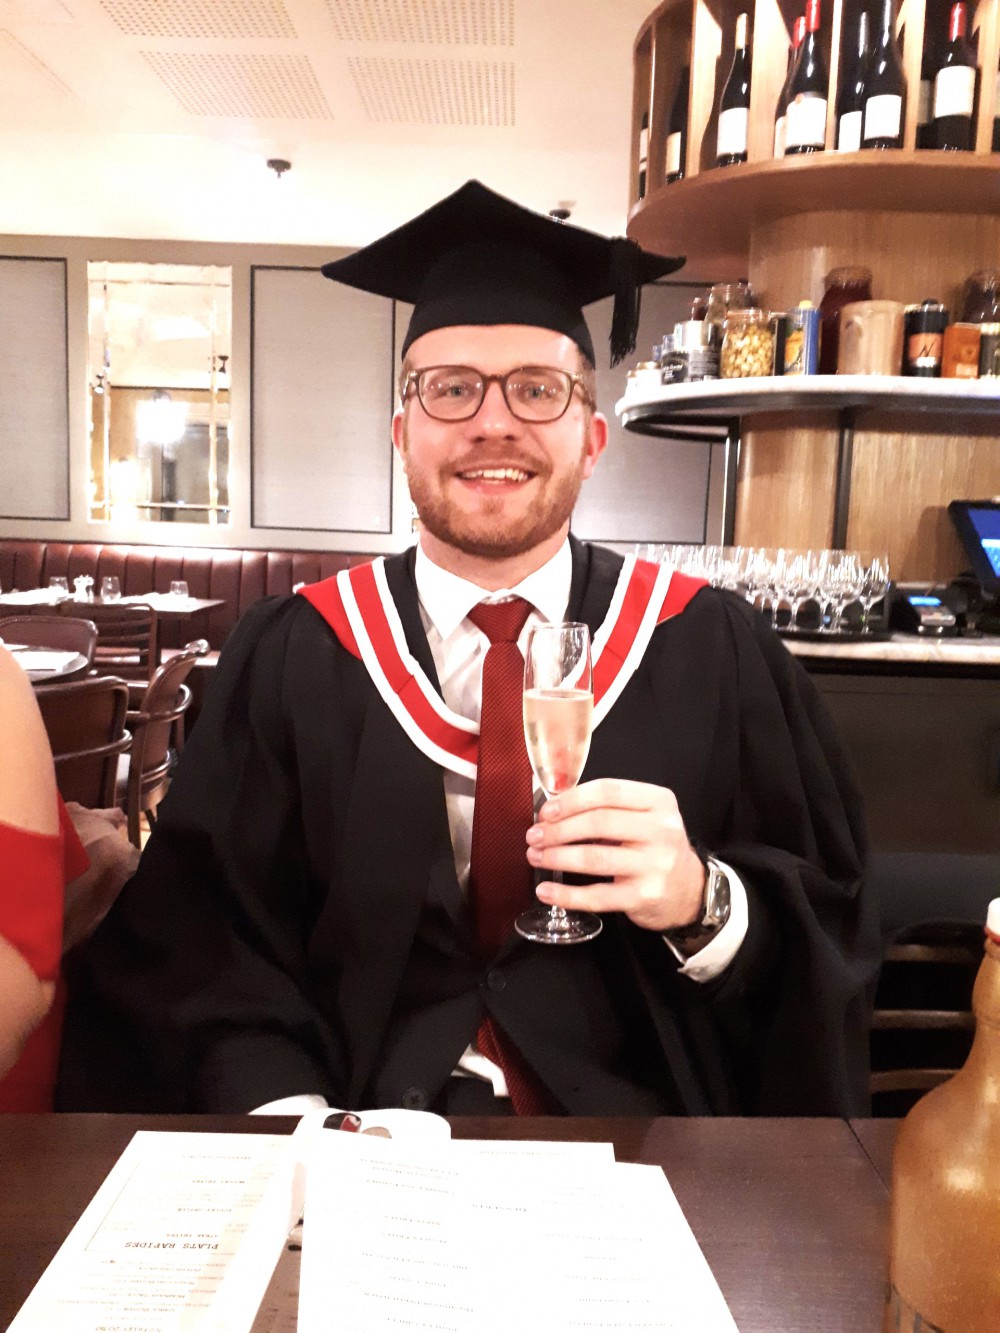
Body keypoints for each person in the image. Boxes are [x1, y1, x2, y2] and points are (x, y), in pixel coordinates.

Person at [59, 181, 880, 1118]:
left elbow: (831, 935)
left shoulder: (711, 648)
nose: (495, 422)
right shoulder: (296, 656)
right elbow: (198, 946)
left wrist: (704, 898)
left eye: (538, 389)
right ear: (403, 434)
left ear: (592, 435)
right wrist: (294, 1122)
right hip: (353, 1131)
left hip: (634, 1147)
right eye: (452, 389)